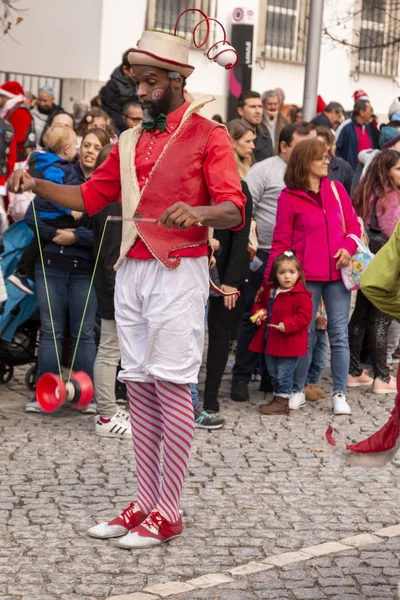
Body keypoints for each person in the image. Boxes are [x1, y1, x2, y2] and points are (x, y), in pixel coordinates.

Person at [8, 26, 245, 548]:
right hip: (132, 268)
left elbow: (234, 208)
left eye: (151, 81)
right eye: (136, 81)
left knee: (171, 384)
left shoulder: (210, 135)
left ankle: (168, 509)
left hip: (178, 267)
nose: (139, 91)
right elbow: (90, 197)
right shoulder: (131, 140)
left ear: (179, 79)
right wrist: (38, 183)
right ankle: (145, 499)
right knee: (137, 385)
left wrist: (199, 211)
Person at [265, 138, 361, 415]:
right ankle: (298, 389)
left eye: (327, 157)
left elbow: (353, 224)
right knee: (303, 335)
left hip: (337, 276)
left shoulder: (337, 189)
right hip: (305, 279)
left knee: (339, 335)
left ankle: (339, 393)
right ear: (305, 162)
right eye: (321, 158)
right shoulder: (289, 197)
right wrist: (270, 284)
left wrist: (348, 247)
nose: (327, 161)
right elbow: (281, 241)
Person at [22, 127, 111, 414]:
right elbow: (32, 216)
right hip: (52, 263)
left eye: (96, 147)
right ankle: (45, 394)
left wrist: (76, 237)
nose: (88, 150)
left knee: (84, 333)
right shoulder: (58, 176)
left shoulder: (104, 186)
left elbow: (105, 231)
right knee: (50, 332)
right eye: (85, 145)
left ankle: (84, 395)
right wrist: (52, 234)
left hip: (85, 267)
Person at [230, 124, 311, 402]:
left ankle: (271, 379)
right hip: (265, 254)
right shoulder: (264, 170)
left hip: (297, 259)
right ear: (284, 146)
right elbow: (244, 205)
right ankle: (241, 377)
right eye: (300, 145)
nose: (306, 151)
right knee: (254, 317)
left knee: (284, 320)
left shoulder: (309, 174)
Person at [202, 120, 254, 414]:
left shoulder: (239, 186)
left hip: (223, 273)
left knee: (220, 334)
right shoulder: (191, 183)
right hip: (188, 268)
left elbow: (241, 235)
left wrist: (232, 280)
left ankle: (210, 394)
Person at [348, 150, 400, 394]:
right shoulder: (390, 195)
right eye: (398, 169)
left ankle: (353, 370)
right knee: (381, 318)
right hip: (383, 255)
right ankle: (381, 376)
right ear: (385, 171)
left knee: (360, 315)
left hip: (366, 251)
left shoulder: (366, 188)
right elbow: (393, 231)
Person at [8, 125, 82, 295]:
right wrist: (70, 210)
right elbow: (54, 194)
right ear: (66, 148)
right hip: (55, 214)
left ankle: (24, 272)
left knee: (39, 242)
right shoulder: (55, 168)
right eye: (75, 146)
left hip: (51, 214)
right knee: (44, 239)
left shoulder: (56, 164)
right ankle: (22, 272)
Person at [91, 144, 131, 438]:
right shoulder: (113, 205)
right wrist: (118, 298)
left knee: (112, 350)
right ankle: (105, 416)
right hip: (114, 291)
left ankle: (108, 408)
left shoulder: (109, 202)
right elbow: (110, 259)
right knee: (109, 350)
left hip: (114, 289)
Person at [249, 251, 312, 415]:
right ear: (275, 274)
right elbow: (258, 304)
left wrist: (289, 324)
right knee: (273, 371)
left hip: (289, 343)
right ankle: (278, 396)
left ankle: (282, 401)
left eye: (291, 272)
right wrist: (259, 313)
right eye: (282, 272)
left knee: (284, 373)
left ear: (298, 274)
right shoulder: (271, 291)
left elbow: (304, 316)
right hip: (272, 340)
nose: (287, 276)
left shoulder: (301, 295)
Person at [100, 49, 139, 134]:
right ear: (125, 69)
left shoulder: (143, 85)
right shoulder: (112, 87)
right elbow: (111, 114)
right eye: (135, 69)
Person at [0, 81, 36, 164]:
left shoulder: (19, 112)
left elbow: (15, 140)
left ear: (7, 96)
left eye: (1, 96)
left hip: (16, 162)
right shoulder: (10, 110)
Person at [336, 99, 376, 170]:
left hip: (366, 172)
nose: (371, 113)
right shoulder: (346, 126)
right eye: (370, 110)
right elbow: (336, 148)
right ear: (361, 112)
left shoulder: (368, 127)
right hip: (351, 172)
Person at [316, 126, 354, 195]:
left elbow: (351, 196)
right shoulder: (309, 166)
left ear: (329, 145)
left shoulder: (344, 167)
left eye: (320, 144)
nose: (316, 147)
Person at [237, 91, 273, 162]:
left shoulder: (266, 139)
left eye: (260, 107)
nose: (258, 111)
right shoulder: (228, 136)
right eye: (253, 107)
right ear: (241, 111)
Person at [261, 90, 289, 154]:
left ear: (279, 104)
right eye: (269, 104)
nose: (273, 107)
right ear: (263, 104)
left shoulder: (285, 121)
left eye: (275, 104)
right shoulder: (258, 120)